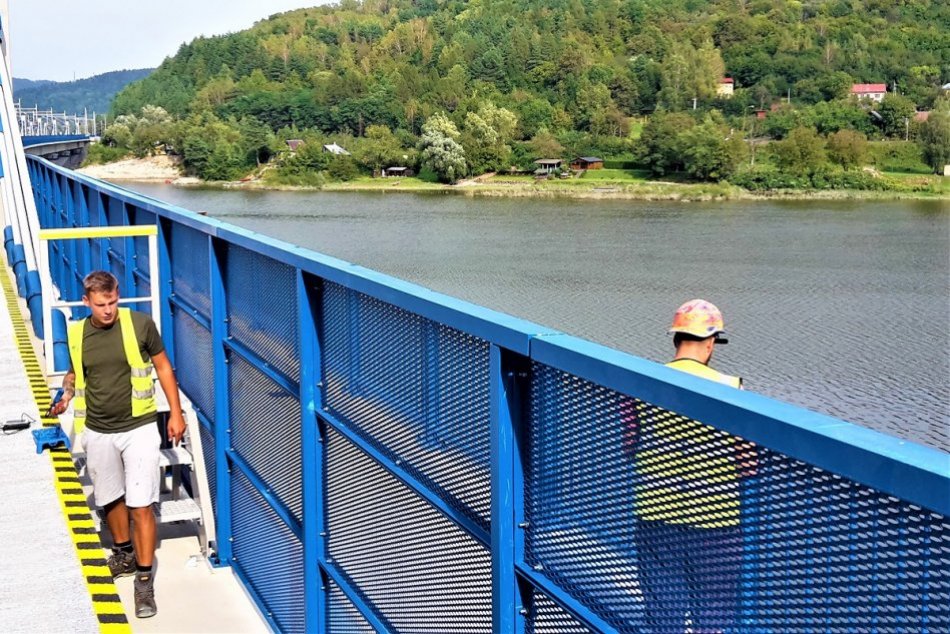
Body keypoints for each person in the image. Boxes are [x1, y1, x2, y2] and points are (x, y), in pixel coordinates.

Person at [51, 271, 185, 619]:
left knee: (141, 504)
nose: (108, 310)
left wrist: (175, 412)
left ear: (117, 296)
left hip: (138, 427)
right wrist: (65, 395)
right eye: (101, 304)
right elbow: (75, 373)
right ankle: (123, 554)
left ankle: (143, 579)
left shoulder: (140, 324)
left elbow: (164, 367)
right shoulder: (76, 332)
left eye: (112, 302)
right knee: (111, 498)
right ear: (86, 302)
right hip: (97, 429)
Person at [626, 299, 754, 633]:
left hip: (655, 516)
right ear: (711, 342)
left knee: (662, 613)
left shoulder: (641, 383)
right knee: (713, 615)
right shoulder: (733, 389)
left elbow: (629, 446)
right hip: (716, 522)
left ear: (675, 339)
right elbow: (749, 463)